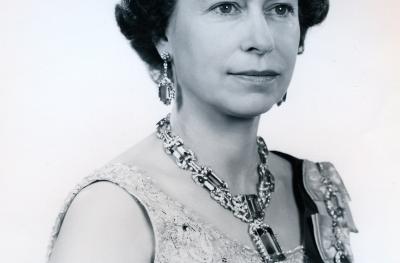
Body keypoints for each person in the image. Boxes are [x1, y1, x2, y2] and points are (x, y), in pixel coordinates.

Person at [47, 0, 358, 262]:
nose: (263, 40)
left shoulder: (318, 189)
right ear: (161, 32)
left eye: (279, 9)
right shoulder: (112, 213)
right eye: (226, 7)